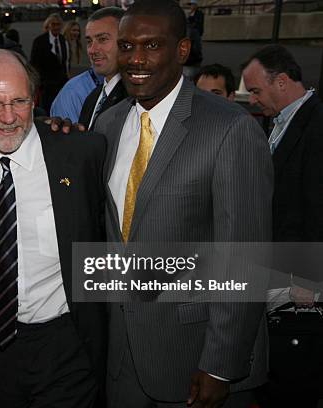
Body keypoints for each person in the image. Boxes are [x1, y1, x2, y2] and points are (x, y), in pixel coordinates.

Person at [94, 0, 273, 406]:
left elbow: (244, 257)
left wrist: (221, 364)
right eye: (126, 46)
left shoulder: (230, 130)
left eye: (151, 45)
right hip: (123, 359)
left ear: (182, 51)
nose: (135, 59)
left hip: (196, 360)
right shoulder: (108, 124)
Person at [0, 49, 107, 408]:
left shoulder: (81, 152)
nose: (8, 118)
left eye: (19, 101)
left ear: (35, 99)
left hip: (66, 343)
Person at [242, 44, 323, 408]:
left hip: (300, 291)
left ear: (283, 82)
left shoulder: (317, 124)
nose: (253, 100)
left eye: (256, 91)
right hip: (277, 281)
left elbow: (317, 207)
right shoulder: (278, 122)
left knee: (294, 382)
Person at [79, 7, 127, 129]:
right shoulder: (92, 98)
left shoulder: (135, 100)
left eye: (103, 39)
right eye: (89, 41)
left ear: (126, 42)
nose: (92, 50)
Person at [30, 13, 69, 115]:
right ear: (48, 25)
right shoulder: (39, 41)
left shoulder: (63, 40)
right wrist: (39, 83)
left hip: (61, 85)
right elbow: (34, 63)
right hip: (46, 87)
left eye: (58, 24)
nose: (56, 27)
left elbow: (65, 61)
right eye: (53, 24)